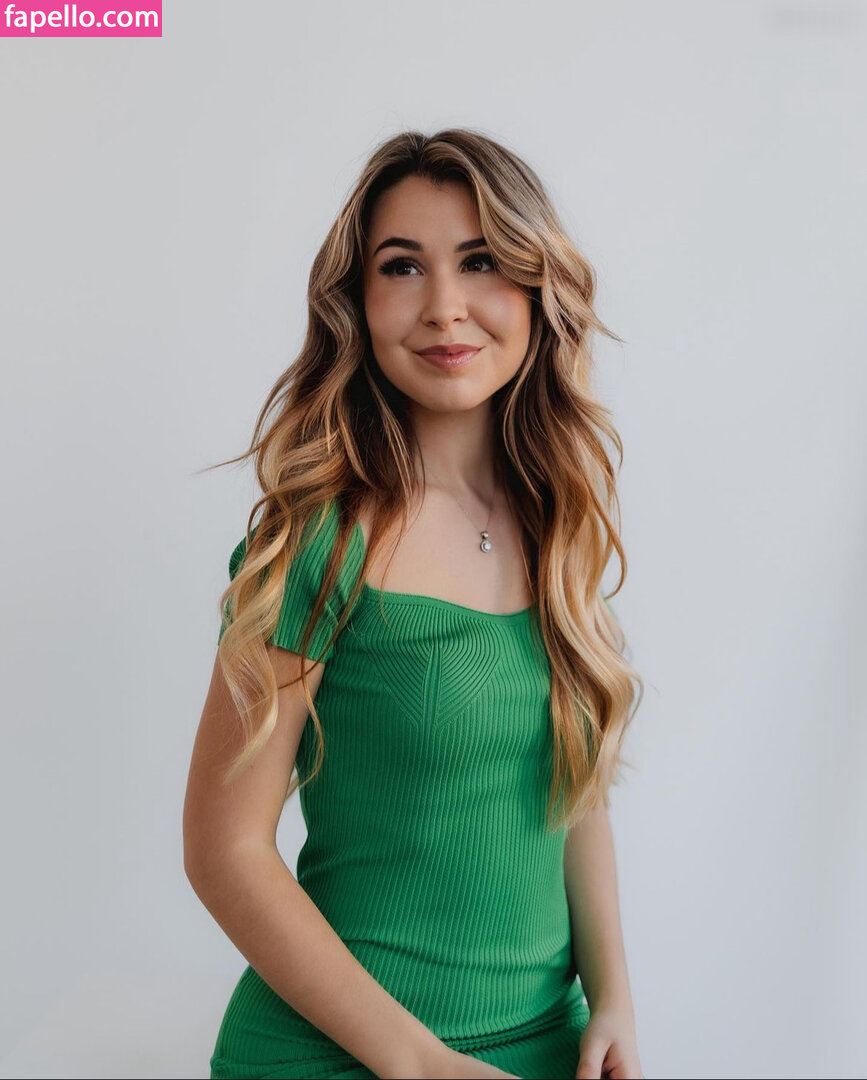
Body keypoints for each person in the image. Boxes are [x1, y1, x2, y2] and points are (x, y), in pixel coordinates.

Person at [183, 127, 645, 1080]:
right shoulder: (318, 544)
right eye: (402, 267)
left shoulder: (556, 524)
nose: (444, 307)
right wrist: (420, 1063)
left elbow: (575, 794)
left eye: (480, 261)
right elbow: (223, 849)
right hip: (344, 1054)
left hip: (547, 1048)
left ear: (536, 287)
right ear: (356, 303)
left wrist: (613, 1000)